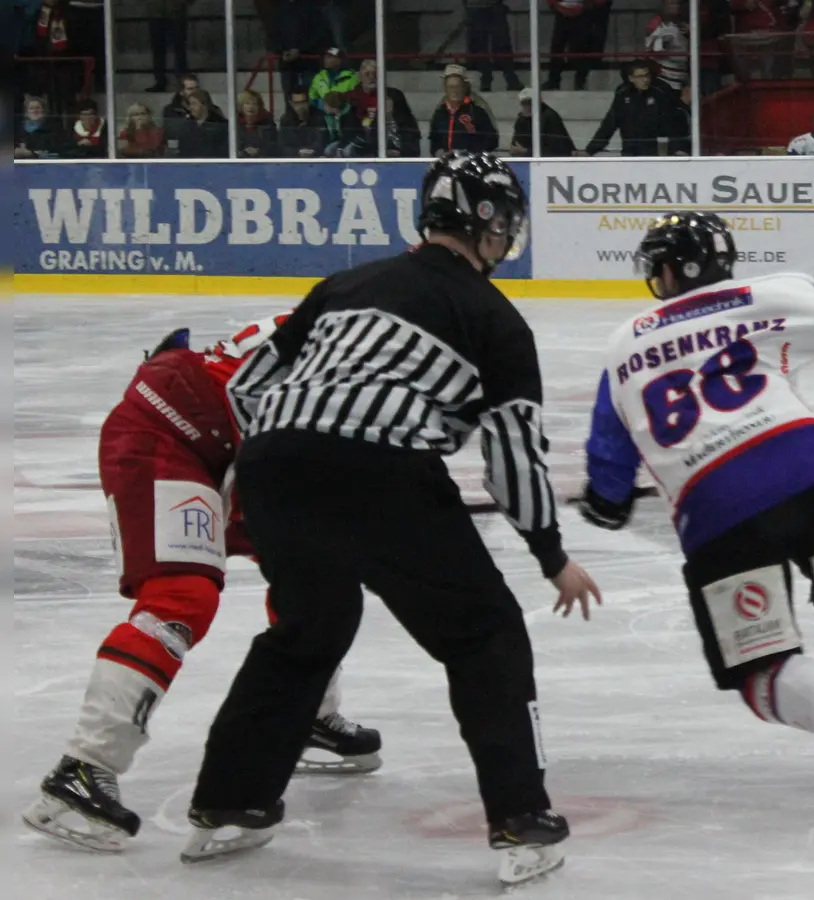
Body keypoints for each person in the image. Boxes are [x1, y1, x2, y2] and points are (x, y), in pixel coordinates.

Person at [182, 153, 600, 886]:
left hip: (275, 468)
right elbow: (512, 458)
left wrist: (286, 455)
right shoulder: (493, 317)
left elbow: (249, 385)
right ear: (489, 222)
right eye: (503, 224)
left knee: (308, 630)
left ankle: (229, 803)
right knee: (485, 635)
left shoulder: (344, 284)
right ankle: (520, 817)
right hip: (381, 474)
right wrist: (549, 553)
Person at [577, 212, 814, 802]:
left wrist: (603, 505)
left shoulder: (625, 344)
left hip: (719, 513)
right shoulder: (778, 292)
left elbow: (609, 485)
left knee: (761, 673)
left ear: (667, 271)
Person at [20, 316, 382, 854]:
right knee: (182, 595)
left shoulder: (372, 327)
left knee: (318, 569)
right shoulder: (372, 351)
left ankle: (307, 714)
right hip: (166, 436)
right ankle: (80, 772)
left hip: (231, 447)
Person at [581, 59, 689, 156]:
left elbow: (672, 122)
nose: (646, 80)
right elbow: (609, 124)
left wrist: (679, 148)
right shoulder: (622, 93)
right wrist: (590, 150)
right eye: (641, 77)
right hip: (630, 150)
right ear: (631, 78)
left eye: (647, 75)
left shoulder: (660, 90)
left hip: (656, 150)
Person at [544, 0, 612, 91]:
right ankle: (553, 81)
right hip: (563, 12)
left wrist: (592, 4)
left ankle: (580, 81)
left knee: (580, 47)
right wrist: (553, 4)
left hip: (585, 12)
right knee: (557, 46)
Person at [430, 68, 500, 155]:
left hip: (470, 163)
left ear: (465, 87)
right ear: (445, 88)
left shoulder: (477, 110)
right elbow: (434, 139)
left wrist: (471, 152)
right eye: (451, 87)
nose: (454, 91)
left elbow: (492, 140)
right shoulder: (440, 112)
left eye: (458, 87)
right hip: (446, 163)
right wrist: (437, 151)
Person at [465, 0, 524, 93]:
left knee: (487, 44)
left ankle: (488, 78)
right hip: (486, 5)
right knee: (498, 43)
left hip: (478, 5)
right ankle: (508, 78)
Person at [509, 86, 575, 157]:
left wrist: (527, 151)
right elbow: (515, 145)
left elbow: (560, 149)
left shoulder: (550, 117)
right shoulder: (522, 119)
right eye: (524, 103)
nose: (527, 106)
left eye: (530, 102)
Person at [644, 0, 690, 93]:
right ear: (664, 5)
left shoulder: (685, 23)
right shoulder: (657, 24)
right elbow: (654, 49)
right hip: (665, 75)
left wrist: (690, 31)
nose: (676, 6)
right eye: (672, 3)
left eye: (677, 3)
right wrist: (663, 40)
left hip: (683, 73)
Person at [145, 0, 189, 93]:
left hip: (175, 11)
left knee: (179, 47)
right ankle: (160, 80)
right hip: (157, 11)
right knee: (158, 48)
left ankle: (181, 80)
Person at [172, 89, 228, 158]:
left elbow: (223, 152)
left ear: (205, 105)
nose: (190, 108)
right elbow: (182, 152)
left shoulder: (220, 124)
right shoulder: (186, 126)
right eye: (190, 104)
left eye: (194, 104)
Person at [308, 47, 358, 112]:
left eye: (330, 57)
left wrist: (341, 107)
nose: (325, 59)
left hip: (345, 113)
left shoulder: (351, 77)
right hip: (323, 113)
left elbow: (356, 99)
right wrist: (323, 105)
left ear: (339, 60)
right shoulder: (318, 77)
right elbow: (312, 97)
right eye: (325, 57)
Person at [277, 89, 324, 158]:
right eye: (297, 103)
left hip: (315, 158)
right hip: (294, 159)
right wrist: (298, 152)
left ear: (309, 102)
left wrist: (311, 150)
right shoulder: (286, 120)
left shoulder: (319, 116)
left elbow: (321, 141)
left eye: (303, 102)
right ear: (291, 103)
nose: (301, 106)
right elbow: (282, 146)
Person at [16, 95, 61, 159]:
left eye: (38, 108)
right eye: (31, 108)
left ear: (43, 110)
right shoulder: (20, 128)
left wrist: (31, 154)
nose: (35, 111)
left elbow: (56, 151)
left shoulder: (53, 127)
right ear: (27, 112)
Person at [237, 89, 279, 158]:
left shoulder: (268, 123)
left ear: (259, 107)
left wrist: (260, 151)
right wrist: (243, 152)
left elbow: (275, 146)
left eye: (254, 104)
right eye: (247, 103)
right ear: (241, 106)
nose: (251, 107)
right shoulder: (234, 124)